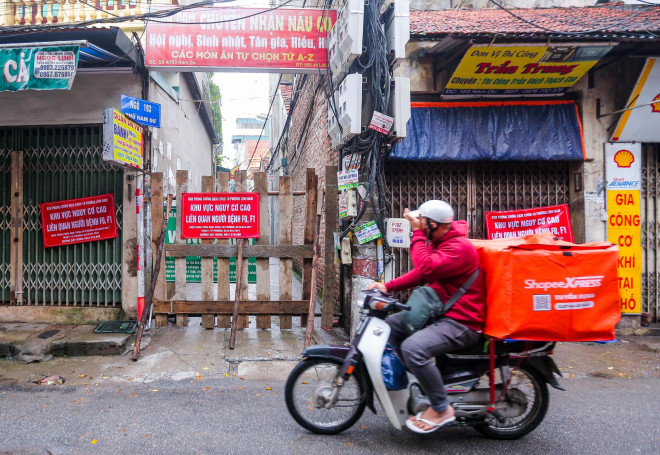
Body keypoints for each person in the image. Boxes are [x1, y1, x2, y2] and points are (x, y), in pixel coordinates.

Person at [368, 200, 486, 434]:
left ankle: (441, 407)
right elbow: (421, 274)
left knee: (414, 348)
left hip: (462, 321)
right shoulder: (442, 242)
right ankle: (422, 384)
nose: (420, 225)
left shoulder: (458, 248)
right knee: (391, 327)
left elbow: (426, 268)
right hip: (443, 313)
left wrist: (417, 233)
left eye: (424, 222)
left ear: (434, 224)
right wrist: (387, 286)